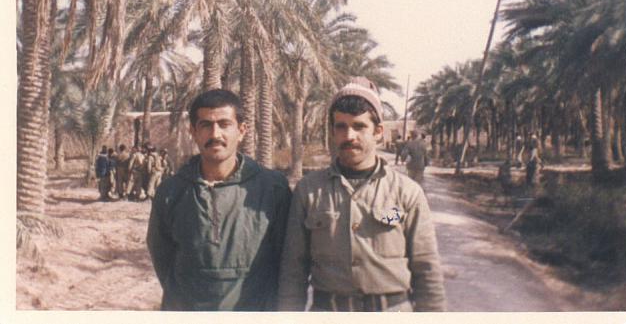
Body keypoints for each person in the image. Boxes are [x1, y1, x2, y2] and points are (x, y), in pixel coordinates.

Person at [278, 77, 446, 312]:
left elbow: (427, 269)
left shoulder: (407, 193)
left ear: (378, 132)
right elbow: (293, 271)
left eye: (359, 126)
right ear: (332, 132)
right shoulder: (308, 190)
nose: (349, 136)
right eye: (341, 126)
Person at [147, 89, 291, 311]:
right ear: (193, 132)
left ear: (241, 131)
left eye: (224, 124)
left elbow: (287, 261)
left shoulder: (273, 189)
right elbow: (162, 256)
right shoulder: (171, 192)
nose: (215, 134)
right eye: (206, 125)